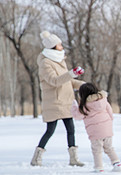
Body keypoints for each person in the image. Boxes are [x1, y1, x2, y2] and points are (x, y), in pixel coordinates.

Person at [30, 31, 85, 167]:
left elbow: (68, 81)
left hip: (66, 101)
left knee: (71, 129)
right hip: (54, 102)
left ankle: (73, 159)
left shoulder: (60, 60)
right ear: (53, 47)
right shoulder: (46, 63)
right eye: (59, 44)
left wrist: (85, 85)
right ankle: (36, 158)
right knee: (50, 130)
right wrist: (72, 73)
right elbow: (55, 81)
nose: (61, 45)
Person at [71, 83, 121, 172]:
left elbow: (77, 116)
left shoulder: (85, 106)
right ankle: (117, 164)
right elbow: (110, 112)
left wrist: (74, 106)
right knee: (109, 147)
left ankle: (99, 168)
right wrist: (109, 122)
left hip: (95, 132)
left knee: (97, 150)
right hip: (107, 129)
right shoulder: (103, 100)